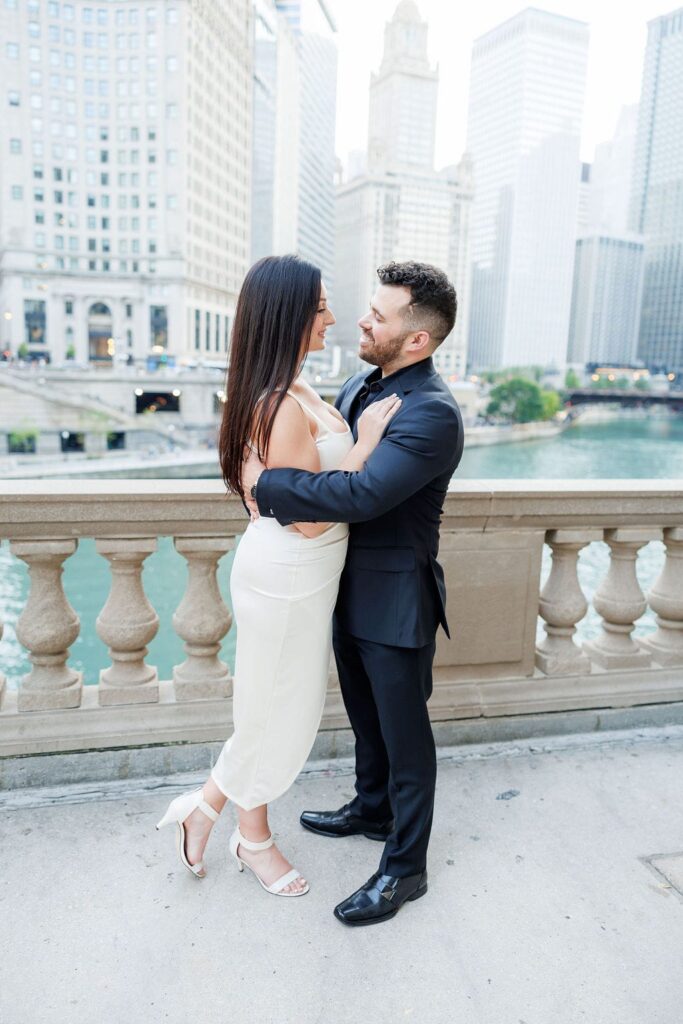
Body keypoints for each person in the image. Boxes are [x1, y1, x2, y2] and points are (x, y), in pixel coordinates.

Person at [156, 254, 401, 897]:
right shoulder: (277, 404)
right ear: (290, 314)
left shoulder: (300, 387)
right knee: (275, 715)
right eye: (320, 306)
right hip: (289, 573)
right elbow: (312, 521)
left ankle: (206, 812)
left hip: (308, 577)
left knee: (273, 710)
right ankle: (252, 838)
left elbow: (300, 488)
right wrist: (369, 442)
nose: (331, 317)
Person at [243, 260, 464, 925]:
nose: (361, 319)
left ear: (416, 339)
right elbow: (339, 461)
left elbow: (360, 493)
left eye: (378, 313)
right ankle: (369, 809)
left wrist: (266, 487)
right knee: (366, 721)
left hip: (395, 601)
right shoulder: (359, 385)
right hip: (336, 585)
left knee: (405, 740)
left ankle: (404, 868)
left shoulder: (431, 414)